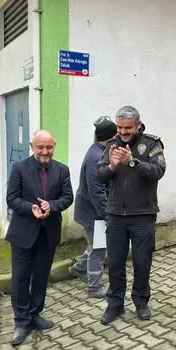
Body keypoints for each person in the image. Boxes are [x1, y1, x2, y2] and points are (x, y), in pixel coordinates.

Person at [97, 106, 166, 325]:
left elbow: (158, 172)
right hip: (116, 214)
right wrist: (112, 165)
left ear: (138, 124)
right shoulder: (112, 145)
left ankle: (141, 302)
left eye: (127, 128)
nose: (123, 132)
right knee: (115, 263)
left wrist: (132, 162)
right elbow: (99, 175)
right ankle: (115, 305)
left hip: (143, 215)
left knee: (142, 262)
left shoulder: (153, 144)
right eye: (120, 127)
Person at [5, 130, 74, 346]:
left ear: (54, 146)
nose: (45, 151)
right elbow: (12, 199)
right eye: (40, 147)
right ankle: (22, 321)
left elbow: (68, 197)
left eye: (49, 147)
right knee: (20, 279)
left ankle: (35, 314)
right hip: (23, 232)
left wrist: (51, 206)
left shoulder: (62, 170)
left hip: (48, 233)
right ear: (32, 146)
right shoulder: (19, 168)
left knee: (41, 277)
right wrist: (31, 208)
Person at [70, 116, 117, 298]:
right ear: (110, 138)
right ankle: (94, 287)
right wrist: (107, 216)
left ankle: (78, 268)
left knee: (93, 246)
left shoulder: (98, 151)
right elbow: (97, 193)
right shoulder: (96, 157)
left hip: (91, 211)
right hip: (94, 213)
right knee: (98, 249)